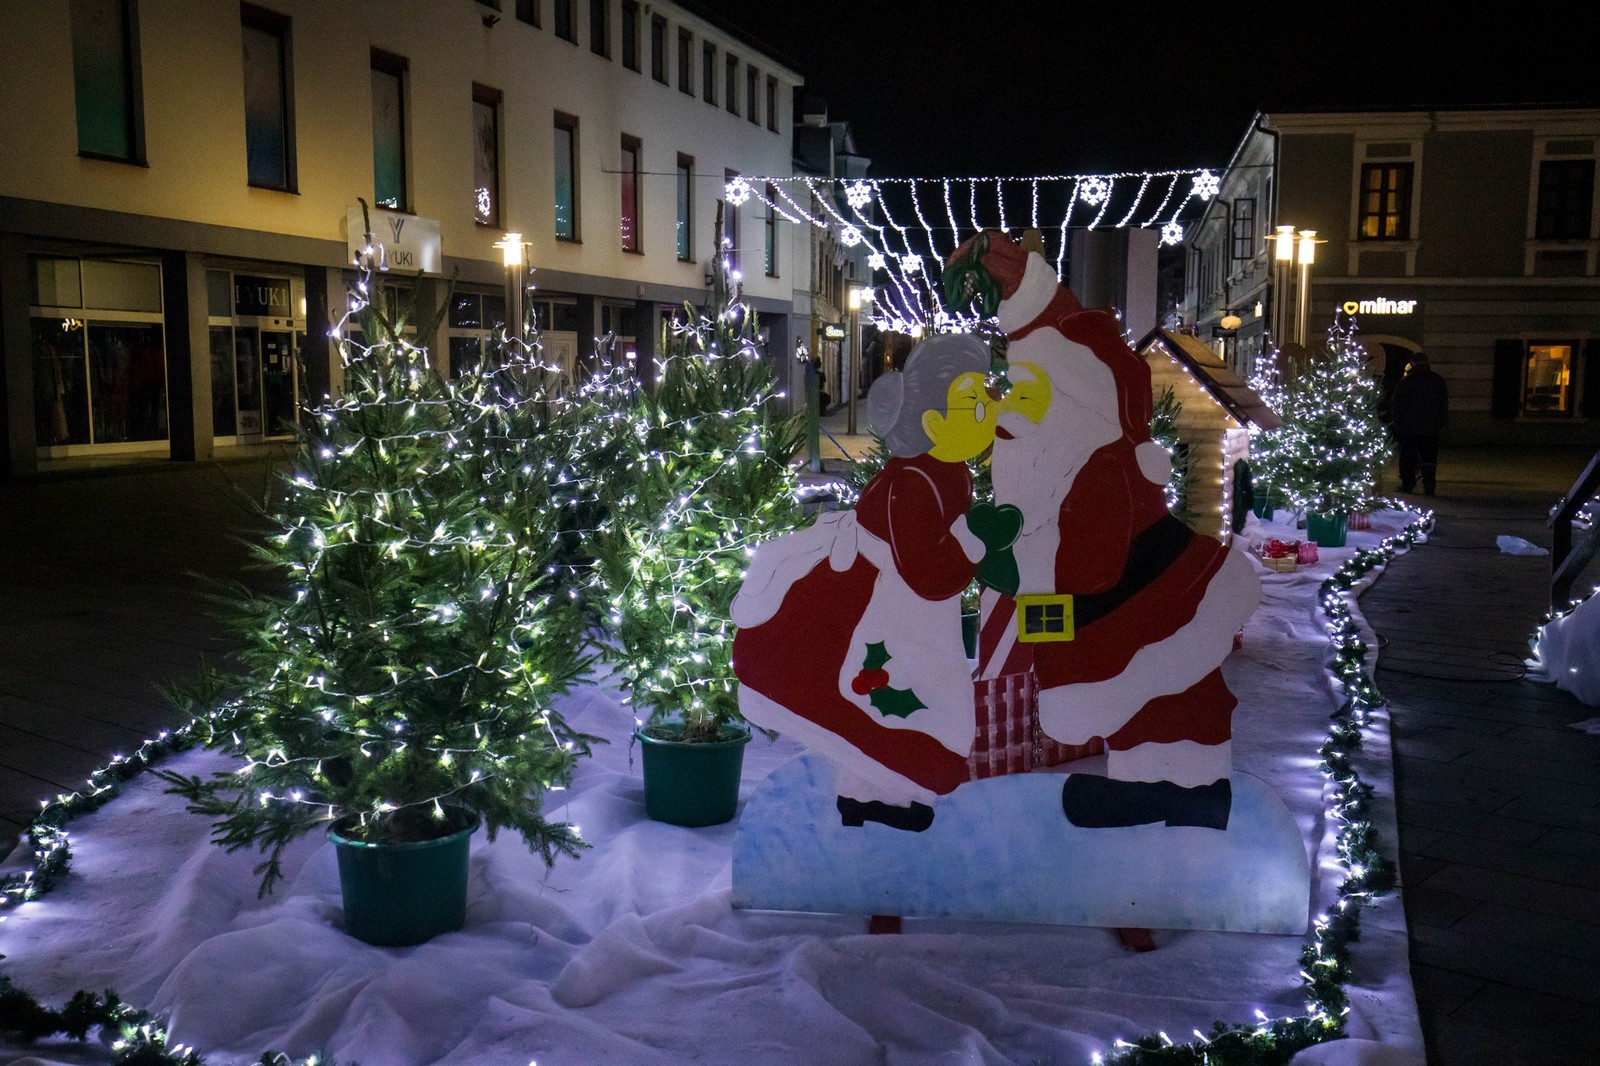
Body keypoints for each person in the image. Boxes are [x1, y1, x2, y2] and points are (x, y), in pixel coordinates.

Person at [732, 334, 1009, 831]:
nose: (989, 405)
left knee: (898, 708)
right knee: (891, 706)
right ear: (933, 423)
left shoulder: (946, 472)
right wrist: (973, 542)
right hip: (882, 615)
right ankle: (870, 794)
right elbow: (927, 574)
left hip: (906, 617)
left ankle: (872, 797)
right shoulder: (911, 484)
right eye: (973, 400)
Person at [1391, 353, 1448, 496]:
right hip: (1431, 427)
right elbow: (1443, 404)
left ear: (1413, 363)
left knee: (1408, 457)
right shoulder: (1437, 380)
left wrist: (1398, 423)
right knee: (1429, 458)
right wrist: (1441, 422)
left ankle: (1408, 485)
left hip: (1409, 427)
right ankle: (1429, 486)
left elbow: (1397, 404)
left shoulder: (1407, 382)